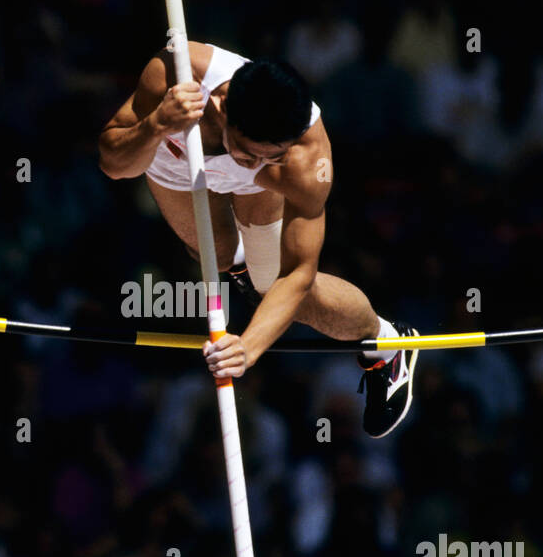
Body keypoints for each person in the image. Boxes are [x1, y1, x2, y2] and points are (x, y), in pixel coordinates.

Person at [99, 40, 417, 437]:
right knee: (213, 256)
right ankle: (239, 266)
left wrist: (247, 347)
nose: (265, 163)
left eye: (275, 155)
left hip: (256, 189)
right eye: (252, 154)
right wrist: (157, 124)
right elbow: (112, 164)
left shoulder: (303, 161)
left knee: (270, 284)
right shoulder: (176, 74)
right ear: (222, 108)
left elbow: (299, 274)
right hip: (175, 157)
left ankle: (386, 341)